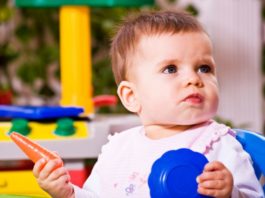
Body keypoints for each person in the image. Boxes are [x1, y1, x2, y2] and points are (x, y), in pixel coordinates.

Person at [33, 10, 264, 198]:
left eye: (204, 68)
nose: (194, 78)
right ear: (131, 96)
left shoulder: (220, 144)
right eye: (171, 69)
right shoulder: (119, 149)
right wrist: (66, 193)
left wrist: (231, 192)